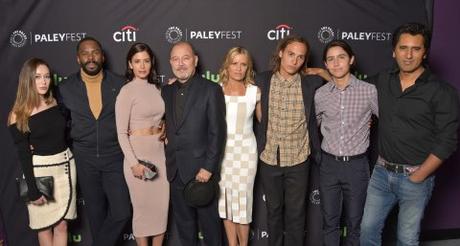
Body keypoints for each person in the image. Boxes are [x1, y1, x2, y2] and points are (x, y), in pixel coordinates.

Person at [360, 23, 459, 245]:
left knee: (406, 238)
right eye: (403, 48)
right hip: (381, 174)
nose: (408, 55)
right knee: (367, 231)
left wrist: (420, 175)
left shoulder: (442, 92)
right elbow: (352, 87)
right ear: (394, 51)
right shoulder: (382, 80)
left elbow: (448, 141)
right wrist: (321, 73)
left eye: (416, 49)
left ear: (424, 52)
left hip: (415, 178)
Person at [57, 37, 131, 246]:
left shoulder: (120, 83)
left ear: (103, 56)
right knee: (96, 216)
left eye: (95, 52)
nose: (91, 57)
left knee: (121, 212)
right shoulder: (65, 88)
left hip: (115, 157)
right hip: (84, 159)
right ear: (78, 58)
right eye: (85, 53)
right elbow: (58, 123)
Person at [255, 35, 322, 246]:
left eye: (301, 57)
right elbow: (230, 85)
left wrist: (320, 71)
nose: (295, 61)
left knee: (296, 215)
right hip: (269, 157)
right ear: (281, 53)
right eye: (291, 54)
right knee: (273, 213)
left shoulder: (311, 83)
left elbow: (341, 77)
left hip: (299, 159)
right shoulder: (262, 80)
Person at [161, 41, 226, 246]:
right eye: (175, 59)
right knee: (185, 228)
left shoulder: (211, 89)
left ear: (195, 60)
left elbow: (218, 132)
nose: (181, 64)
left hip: (201, 172)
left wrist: (208, 168)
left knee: (210, 229)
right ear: (170, 62)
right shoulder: (166, 91)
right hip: (176, 170)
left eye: (186, 58)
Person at [314, 40, 378, 246]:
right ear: (326, 64)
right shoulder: (321, 94)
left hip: (356, 166)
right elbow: (311, 128)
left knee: (355, 223)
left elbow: (389, 122)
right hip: (329, 165)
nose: (336, 63)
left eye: (341, 57)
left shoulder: (369, 91)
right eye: (330, 59)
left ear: (351, 60)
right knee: (330, 222)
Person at [8, 58, 77, 246]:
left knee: (62, 225)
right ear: (27, 80)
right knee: (44, 226)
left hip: (65, 167)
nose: (43, 81)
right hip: (40, 172)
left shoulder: (55, 101)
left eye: (46, 76)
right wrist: (32, 189)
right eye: (37, 77)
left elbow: (64, 135)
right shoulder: (18, 113)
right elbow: (23, 154)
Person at [115, 42, 169, 246]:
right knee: (142, 211)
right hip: (137, 157)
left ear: (151, 63)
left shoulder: (157, 88)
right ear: (130, 64)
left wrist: (164, 126)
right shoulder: (126, 92)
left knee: (161, 209)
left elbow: (161, 117)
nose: (142, 66)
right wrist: (133, 163)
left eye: (146, 61)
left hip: (159, 155)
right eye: (137, 61)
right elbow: (121, 133)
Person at [217, 47, 262, 246]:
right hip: (223, 152)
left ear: (248, 67)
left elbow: (264, 121)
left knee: (243, 201)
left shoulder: (254, 91)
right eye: (234, 63)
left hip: (246, 153)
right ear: (227, 65)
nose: (238, 68)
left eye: (243, 64)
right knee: (225, 200)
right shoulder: (216, 89)